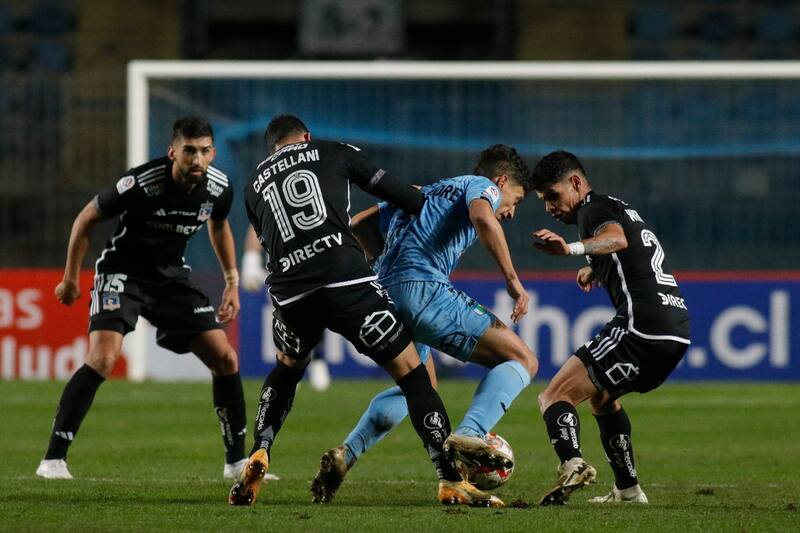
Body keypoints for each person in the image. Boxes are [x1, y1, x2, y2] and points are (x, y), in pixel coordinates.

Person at [229, 114, 501, 507]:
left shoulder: (253, 184)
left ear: (272, 147)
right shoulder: (333, 151)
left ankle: (260, 449)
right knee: (413, 372)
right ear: (306, 136)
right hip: (346, 281)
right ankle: (449, 479)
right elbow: (407, 197)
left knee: (287, 367)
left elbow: (266, 237)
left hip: (290, 292)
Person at [310, 144, 539, 504]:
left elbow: (358, 226)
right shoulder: (481, 186)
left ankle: (346, 453)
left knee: (418, 388)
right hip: (424, 289)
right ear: (502, 180)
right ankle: (471, 433)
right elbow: (483, 217)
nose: (509, 211)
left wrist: (379, 265)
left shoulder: (421, 191)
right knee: (524, 360)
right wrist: (512, 280)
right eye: (517, 200)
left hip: (383, 296)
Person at [36, 117, 250, 483]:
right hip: (123, 272)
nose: (197, 159)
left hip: (170, 278)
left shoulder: (219, 187)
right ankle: (53, 460)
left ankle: (235, 463)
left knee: (225, 357)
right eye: (189, 151)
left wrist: (232, 280)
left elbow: (219, 225)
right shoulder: (142, 182)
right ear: (173, 152)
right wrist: (71, 278)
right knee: (103, 358)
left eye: (203, 151)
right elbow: (86, 218)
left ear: (212, 153)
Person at [529, 150, 690, 505]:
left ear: (575, 182)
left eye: (553, 196)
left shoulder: (592, 208)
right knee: (602, 399)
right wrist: (596, 268)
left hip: (641, 328)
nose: (550, 208)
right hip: (675, 332)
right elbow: (631, 254)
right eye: (543, 201)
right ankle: (628, 491)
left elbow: (617, 240)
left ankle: (572, 464)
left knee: (553, 396)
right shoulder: (616, 206)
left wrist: (570, 249)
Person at [241, 226, 331, 391]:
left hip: (312, 259)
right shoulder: (269, 201)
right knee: (286, 315)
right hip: (281, 266)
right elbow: (257, 222)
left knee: (316, 308)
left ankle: (317, 358)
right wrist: (251, 257)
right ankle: (289, 367)